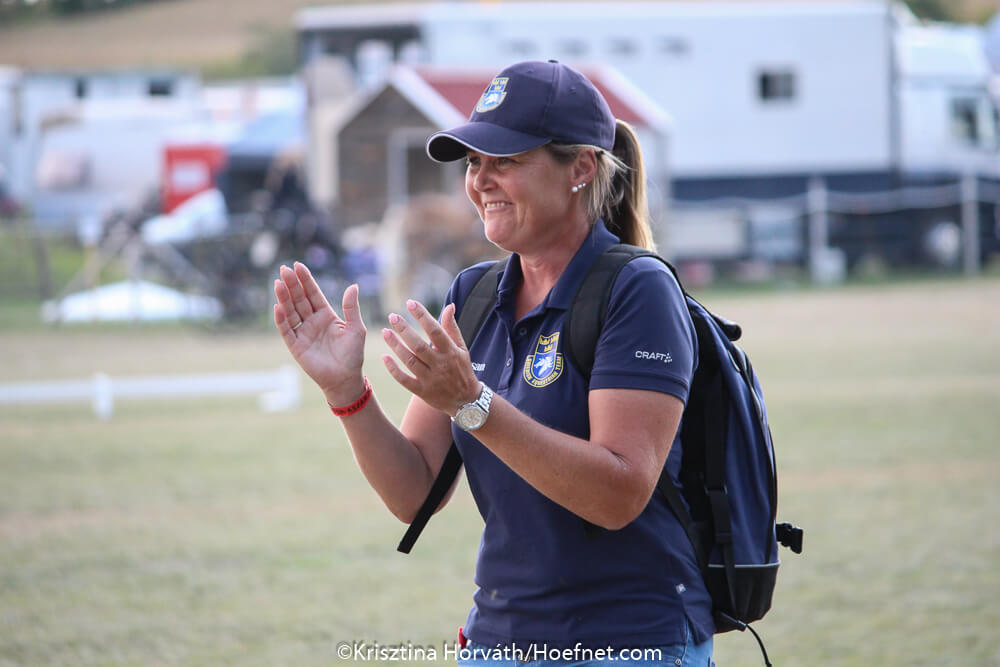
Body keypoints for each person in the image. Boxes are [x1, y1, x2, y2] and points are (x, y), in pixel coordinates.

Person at [273, 60, 715, 666]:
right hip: (498, 643)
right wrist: (346, 391)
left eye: (505, 160)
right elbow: (414, 490)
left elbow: (619, 494)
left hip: (630, 643)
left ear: (581, 167)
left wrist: (474, 406)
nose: (480, 180)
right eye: (473, 162)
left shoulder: (636, 289)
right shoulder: (474, 295)